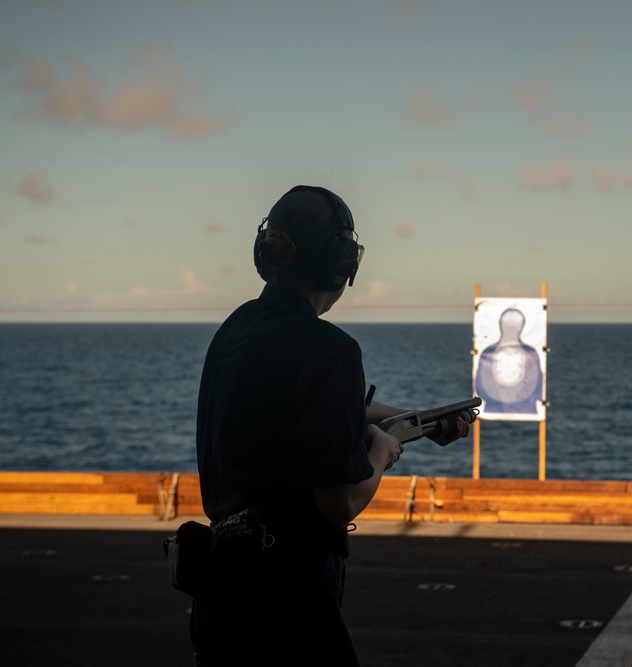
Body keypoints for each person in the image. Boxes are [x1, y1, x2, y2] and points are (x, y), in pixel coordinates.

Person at [194, 185, 470, 665]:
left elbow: (311, 411)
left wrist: (416, 420)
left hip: (222, 594)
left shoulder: (236, 330)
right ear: (342, 264)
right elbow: (338, 503)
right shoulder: (329, 349)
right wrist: (382, 452)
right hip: (288, 603)